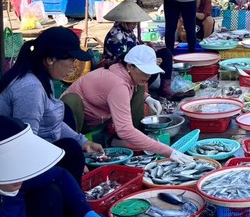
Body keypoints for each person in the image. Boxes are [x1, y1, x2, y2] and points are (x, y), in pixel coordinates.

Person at [0, 27, 103, 184]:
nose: (73, 66)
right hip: (8, 163)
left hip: (25, 149)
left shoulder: (42, 77)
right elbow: (27, 142)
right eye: (70, 59)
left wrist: (83, 141)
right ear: (50, 59)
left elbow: (51, 120)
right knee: (70, 150)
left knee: (65, 113)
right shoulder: (30, 88)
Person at [65, 45, 195, 163]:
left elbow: (127, 89)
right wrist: (168, 151)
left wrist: (148, 98)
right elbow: (124, 129)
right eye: (144, 71)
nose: (148, 76)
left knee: (140, 87)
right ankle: (77, 151)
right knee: (72, 102)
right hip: (79, 121)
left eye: (150, 72)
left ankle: (127, 138)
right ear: (129, 66)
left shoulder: (122, 72)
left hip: (101, 115)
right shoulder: (117, 85)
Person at [102, 0, 174, 98]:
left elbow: (137, 49)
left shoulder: (128, 32)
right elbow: (122, 60)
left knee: (166, 54)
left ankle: (165, 89)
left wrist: (150, 50)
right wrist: (150, 62)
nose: (134, 25)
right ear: (124, 22)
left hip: (136, 63)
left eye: (135, 23)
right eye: (133, 23)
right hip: (124, 69)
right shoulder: (116, 36)